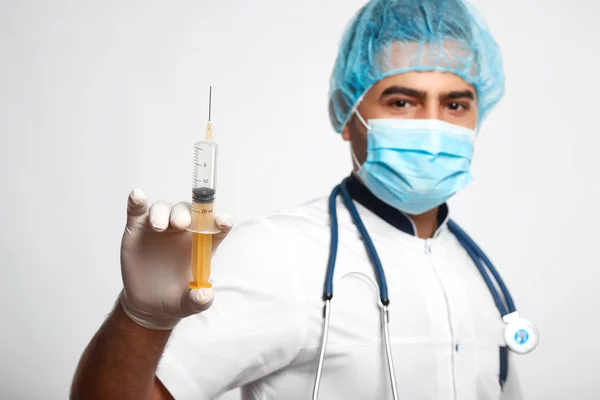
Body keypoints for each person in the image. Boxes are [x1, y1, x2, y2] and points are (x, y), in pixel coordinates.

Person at [71, 0, 528, 399]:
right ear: (347, 114)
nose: (433, 127)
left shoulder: (481, 274)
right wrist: (141, 320)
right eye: (402, 102)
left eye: (455, 105)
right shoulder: (277, 255)